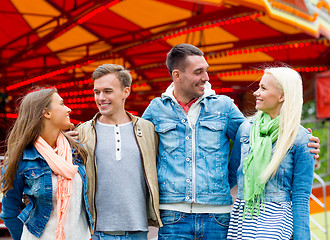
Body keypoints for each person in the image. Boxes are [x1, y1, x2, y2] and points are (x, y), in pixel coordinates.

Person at [142, 44, 320, 239]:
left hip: (219, 217)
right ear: (177, 75)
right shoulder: (157, 109)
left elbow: (258, 145)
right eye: (198, 72)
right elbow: (140, 153)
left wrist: (307, 149)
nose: (206, 77)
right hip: (175, 216)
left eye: (206, 70)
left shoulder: (224, 107)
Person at [74, 64, 162, 240]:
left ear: (126, 92)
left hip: (138, 230)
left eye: (108, 91)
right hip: (95, 232)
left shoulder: (148, 130)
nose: (101, 98)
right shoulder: (81, 132)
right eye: (96, 92)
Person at [227, 67, 315, 240]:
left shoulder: (301, 138)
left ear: (282, 96)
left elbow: (301, 196)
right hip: (243, 216)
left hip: (277, 220)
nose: (256, 93)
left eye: (263, 88)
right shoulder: (245, 129)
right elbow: (230, 175)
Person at [0, 88, 93, 240]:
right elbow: (10, 213)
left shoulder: (76, 151)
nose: (68, 109)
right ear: (46, 113)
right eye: (62, 104)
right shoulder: (22, 158)